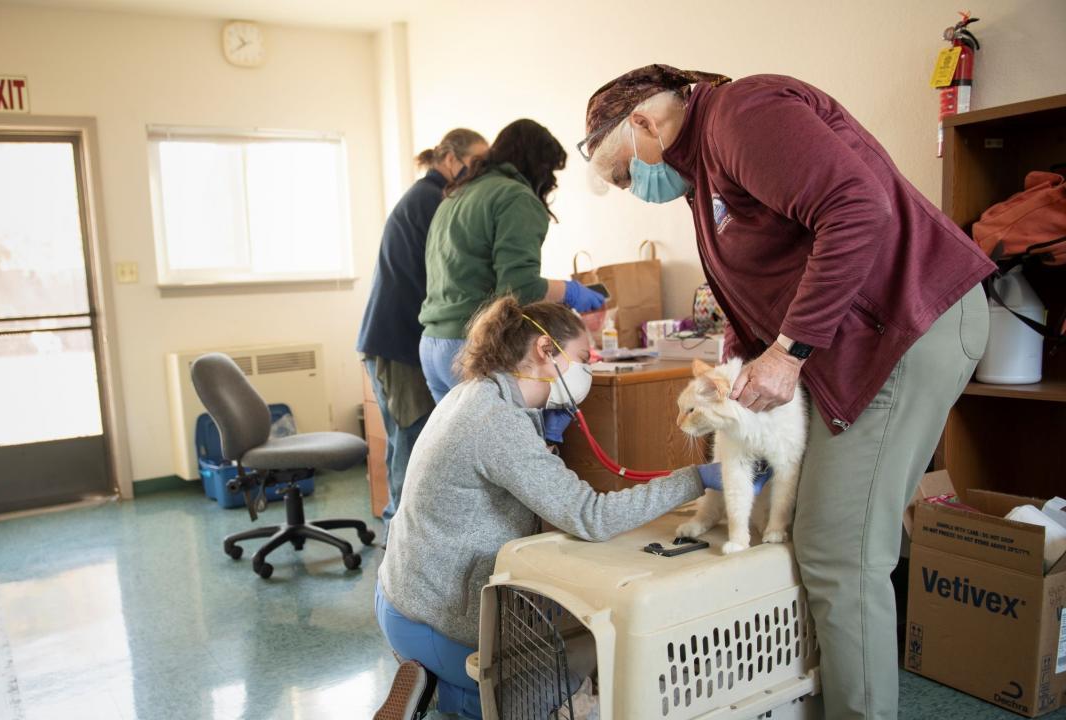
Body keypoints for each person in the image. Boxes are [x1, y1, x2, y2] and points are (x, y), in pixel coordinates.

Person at [579, 64, 995, 719]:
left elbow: (858, 207)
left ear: (644, 123)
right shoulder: (707, 167)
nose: (637, 190)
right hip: (866, 343)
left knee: (838, 551)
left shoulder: (742, 113)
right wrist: (745, 360)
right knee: (825, 530)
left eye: (628, 175)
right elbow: (767, 271)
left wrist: (789, 351)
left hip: (905, 326)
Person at [373, 297, 766, 720]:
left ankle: (438, 679)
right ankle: (443, 693)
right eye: (583, 358)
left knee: (571, 636)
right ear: (545, 351)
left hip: (405, 596)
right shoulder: (496, 421)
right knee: (568, 675)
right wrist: (697, 477)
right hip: (436, 619)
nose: (589, 369)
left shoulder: (474, 394)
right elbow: (591, 517)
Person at [417, 119, 606, 407]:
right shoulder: (515, 196)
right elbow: (520, 288)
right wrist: (573, 292)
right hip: (468, 347)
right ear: (536, 165)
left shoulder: (457, 195)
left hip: (432, 345)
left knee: (463, 447)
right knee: (501, 447)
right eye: (550, 171)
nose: (550, 181)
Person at [357, 128, 488, 522]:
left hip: (392, 338)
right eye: (475, 163)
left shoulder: (426, 197)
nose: (479, 173)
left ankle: (396, 526)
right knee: (411, 440)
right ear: (450, 159)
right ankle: (400, 540)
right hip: (399, 343)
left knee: (405, 441)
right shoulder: (434, 200)